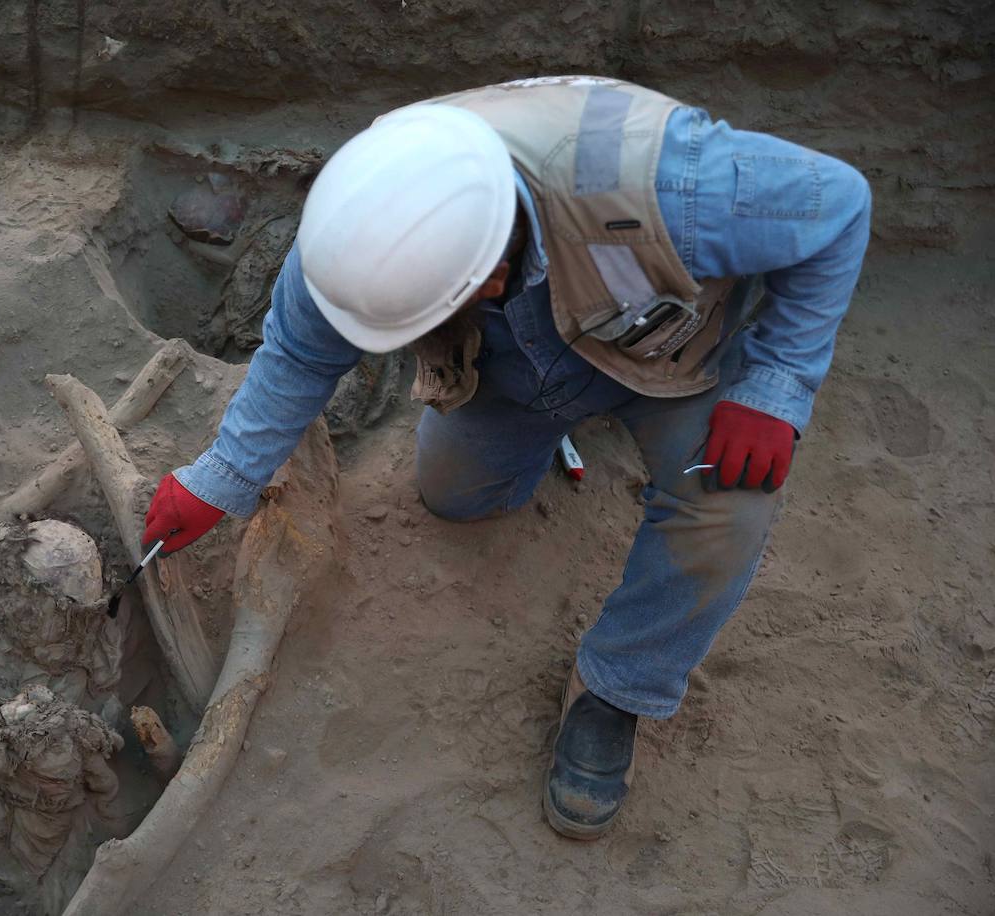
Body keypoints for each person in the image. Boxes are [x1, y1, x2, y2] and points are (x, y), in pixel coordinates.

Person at [141, 75, 872, 839]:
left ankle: (618, 687)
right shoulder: (367, 215)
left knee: (731, 502)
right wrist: (218, 480)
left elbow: (841, 206)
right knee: (455, 494)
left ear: (488, 274)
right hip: (518, 366)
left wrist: (776, 385)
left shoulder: (671, 186)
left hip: (677, 363)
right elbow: (297, 351)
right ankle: (564, 426)